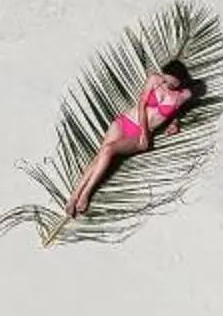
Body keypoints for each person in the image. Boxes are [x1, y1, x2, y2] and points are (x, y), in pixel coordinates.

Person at [69, 59, 194, 218]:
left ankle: (86, 193)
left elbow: (178, 111)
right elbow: (142, 104)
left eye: (171, 82)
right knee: (100, 155)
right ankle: (74, 196)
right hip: (126, 122)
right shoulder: (155, 80)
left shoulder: (184, 95)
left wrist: (175, 123)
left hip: (141, 136)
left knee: (108, 150)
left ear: (180, 80)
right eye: (165, 78)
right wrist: (143, 132)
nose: (166, 82)